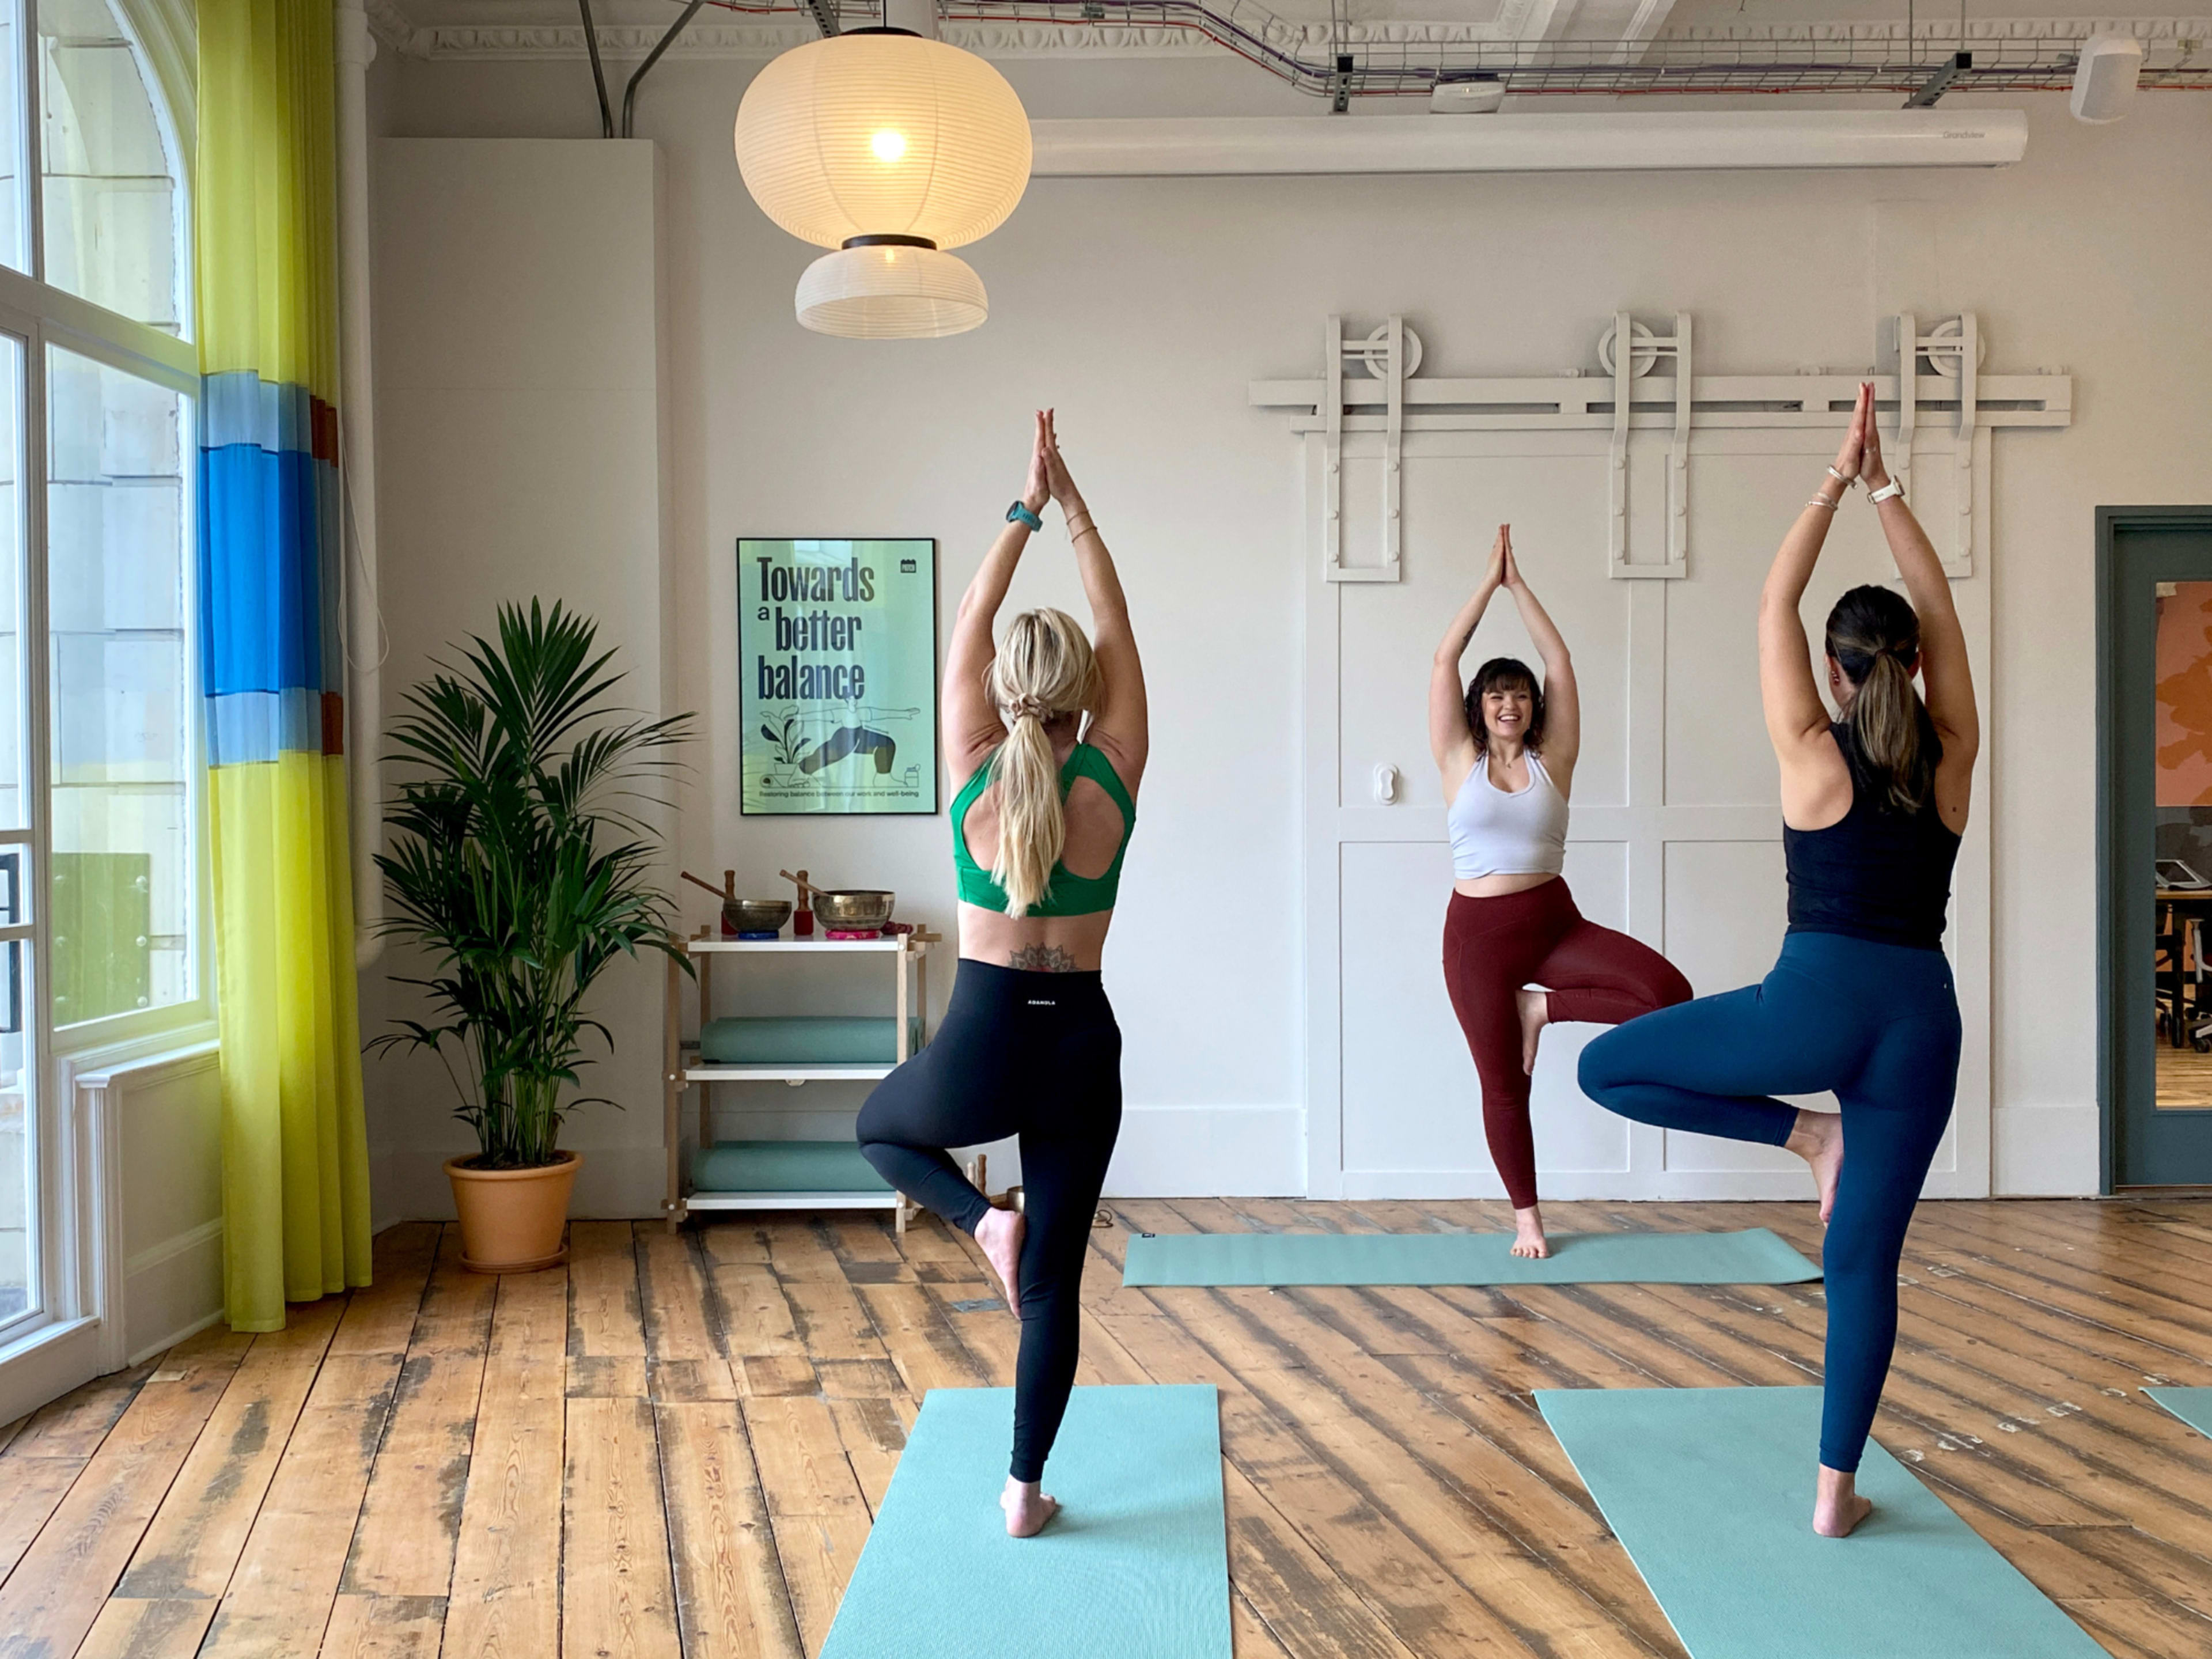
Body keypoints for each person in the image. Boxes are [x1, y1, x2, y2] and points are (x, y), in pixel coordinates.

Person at [1577, 382, 1975, 1537]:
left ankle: (1807, 1137)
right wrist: (1888, 487)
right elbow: (1941, 604)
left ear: (1841, 674)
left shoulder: (1811, 753)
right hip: (1920, 1022)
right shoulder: (1954, 755)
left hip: (1812, 1008)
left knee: (1609, 1070)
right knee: (1863, 1268)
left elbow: (1772, 600)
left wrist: (1833, 478)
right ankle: (1832, 1497)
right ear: (1907, 666)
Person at [858, 409, 1145, 1539]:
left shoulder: (972, 770)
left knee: (882, 1131)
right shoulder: (1114, 773)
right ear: (1082, 689)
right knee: (1054, 1293)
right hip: (1081, 1044)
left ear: (1002, 688)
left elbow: (970, 623)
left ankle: (980, 1222)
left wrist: (1020, 508)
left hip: (982, 1038)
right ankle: (1022, 1490)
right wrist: (1074, 504)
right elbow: (1117, 622)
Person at [1431, 526, 1692, 1260]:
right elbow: (1446, 658)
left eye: (1518, 695)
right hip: (1477, 937)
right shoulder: (1458, 761)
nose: (1507, 703)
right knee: (1503, 1082)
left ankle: (1540, 1008)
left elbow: (1560, 659)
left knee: (1666, 993)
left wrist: (1523, 589)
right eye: (1495, 694)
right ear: (1478, 707)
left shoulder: (1556, 759)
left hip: (1553, 920)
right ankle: (1527, 1219)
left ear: (1532, 707)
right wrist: (1487, 586)